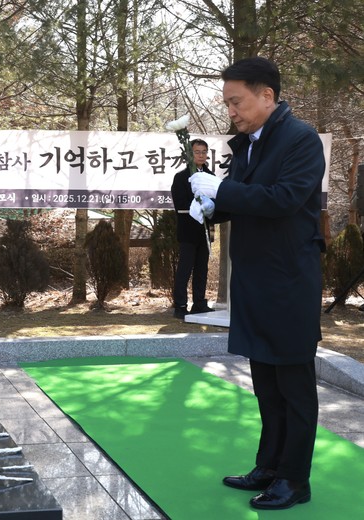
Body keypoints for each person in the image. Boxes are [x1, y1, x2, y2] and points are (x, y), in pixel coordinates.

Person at [190, 57, 325, 510]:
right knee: (266, 383)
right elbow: (244, 200)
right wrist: (212, 207)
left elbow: (284, 199)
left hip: (288, 281)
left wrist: (221, 191)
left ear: (267, 95)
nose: (231, 111)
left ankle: (295, 479)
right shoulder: (250, 143)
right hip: (255, 279)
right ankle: (269, 466)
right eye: (227, 103)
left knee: (294, 387)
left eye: (237, 101)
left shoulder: (301, 139)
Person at [170, 138, 215, 318]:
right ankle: (180, 305)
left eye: (204, 152)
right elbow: (179, 203)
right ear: (189, 154)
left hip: (205, 231)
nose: (201, 155)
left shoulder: (211, 176)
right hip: (188, 230)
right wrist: (198, 204)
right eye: (197, 152)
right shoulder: (181, 177)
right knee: (185, 268)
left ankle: (199, 303)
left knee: (202, 269)